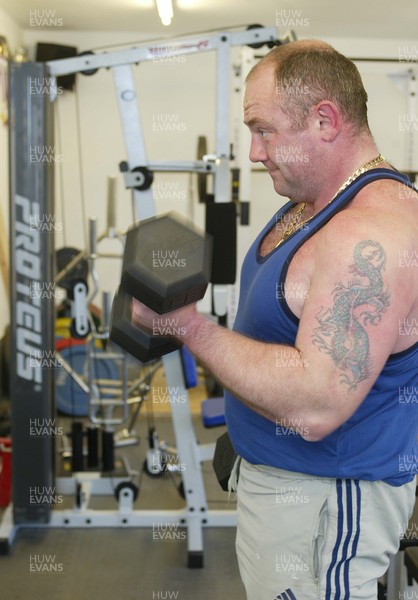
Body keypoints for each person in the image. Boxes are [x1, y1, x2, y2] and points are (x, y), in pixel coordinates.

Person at [133, 39, 418, 599]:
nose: (254, 151)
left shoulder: (371, 235)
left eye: (264, 130)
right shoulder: (311, 202)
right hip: (286, 489)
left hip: (329, 503)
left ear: (325, 120)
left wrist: (188, 326)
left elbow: (316, 404)